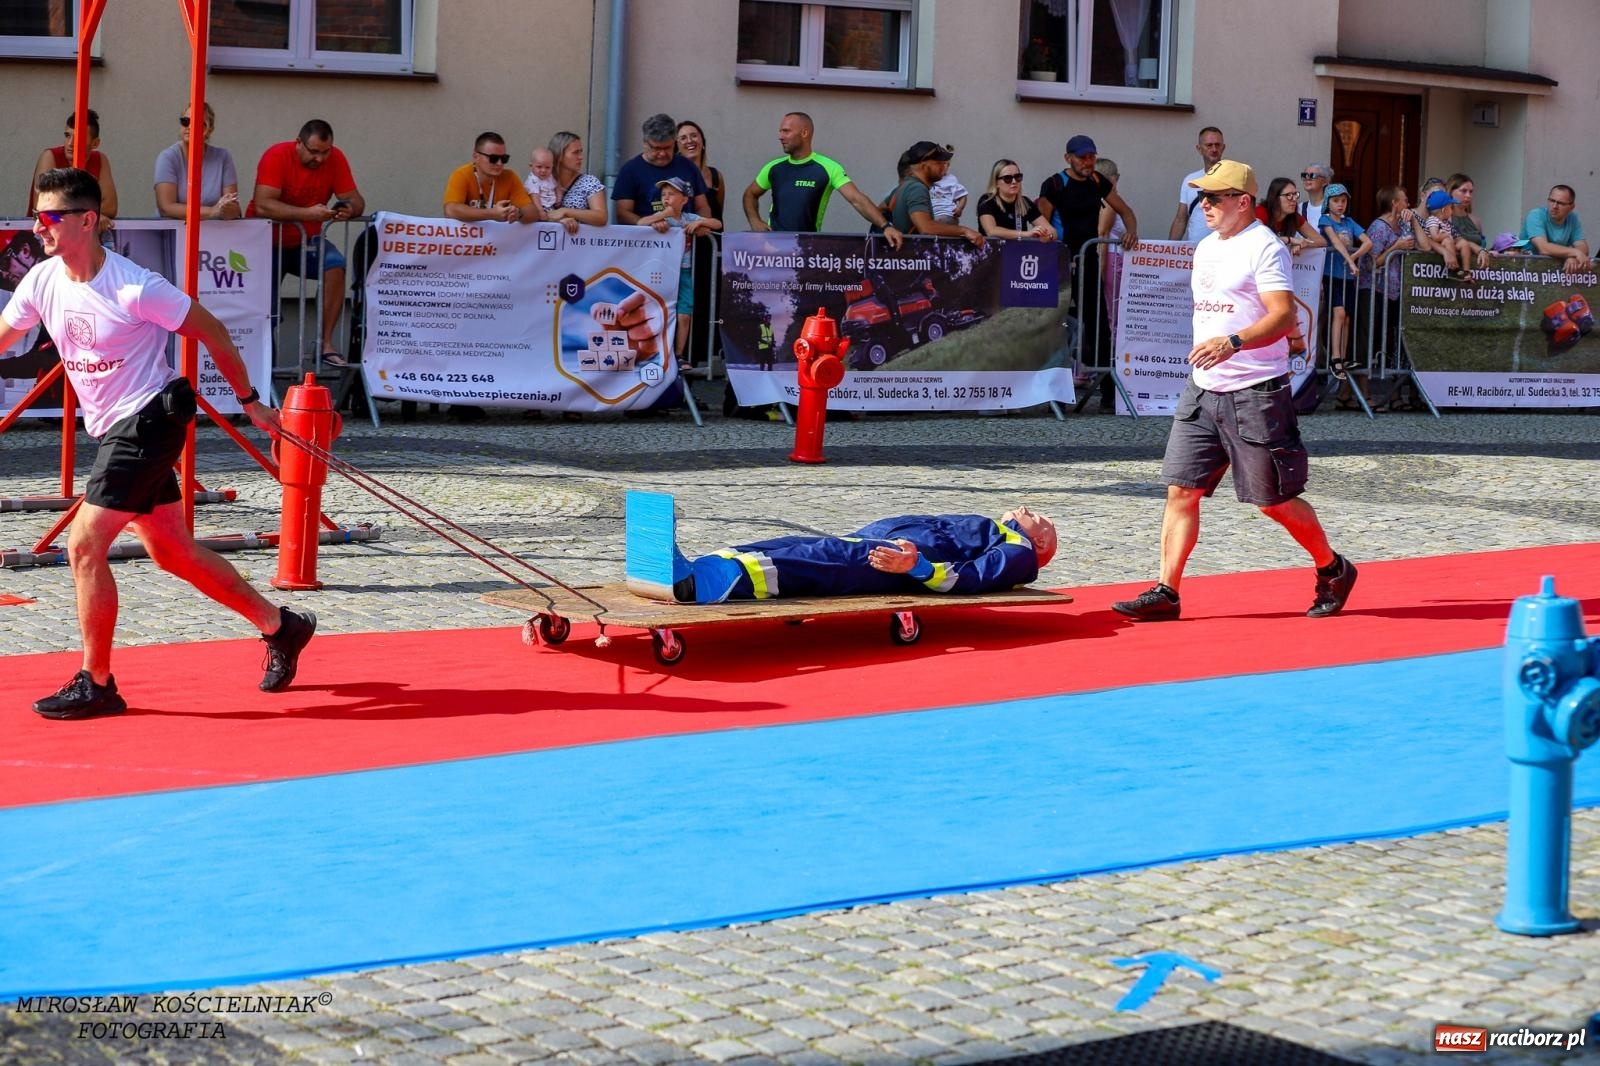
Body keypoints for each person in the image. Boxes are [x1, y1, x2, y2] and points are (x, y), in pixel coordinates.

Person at [0, 168, 317, 719]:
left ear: (86, 220)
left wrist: (250, 402)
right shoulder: (44, 279)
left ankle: (97, 682)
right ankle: (282, 627)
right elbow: (4, 336)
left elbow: (212, 330)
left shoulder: (134, 286)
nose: (38, 227)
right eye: (37, 216)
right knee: (170, 552)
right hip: (115, 426)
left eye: (49, 217)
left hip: (149, 418)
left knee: (83, 545)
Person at [1111, 160, 1357, 623]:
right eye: (1202, 196)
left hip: (1255, 391)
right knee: (1180, 491)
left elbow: (1283, 315)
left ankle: (1333, 567)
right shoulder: (1205, 247)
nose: (1203, 204)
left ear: (1242, 202)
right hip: (1203, 389)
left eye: (1214, 197)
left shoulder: (1264, 247)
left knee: (1274, 502)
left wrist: (1234, 343)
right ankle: (1167, 590)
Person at [656, 506, 1057, 604]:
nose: (1027, 508)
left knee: (794, 562)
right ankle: (694, 569)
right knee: (782, 547)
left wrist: (915, 566)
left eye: (1039, 517)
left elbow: (968, 578)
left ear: (1040, 544)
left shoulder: (1019, 552)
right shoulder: (1003, 533)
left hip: (888, 561)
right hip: (866, 544)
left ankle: (695, 585)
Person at [248, 119, 365, 365]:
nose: (320, 159)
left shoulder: (336, 159)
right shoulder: (277, 156)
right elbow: (262, 204)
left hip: (306, 241)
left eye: (325, 152)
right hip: (264, 242)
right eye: (313, 152)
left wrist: (348, 210)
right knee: (264, 310)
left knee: (335, 265)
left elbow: (357, 201)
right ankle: (265, 368)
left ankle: (325, 343)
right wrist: (307, 214)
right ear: (298, 143)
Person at [1036, 135, 1137, 409]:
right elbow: (1040, 219)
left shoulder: (1097, 182)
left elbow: (1125, 210)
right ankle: (1055, 392)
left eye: (1092, 156)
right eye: (1082, 157)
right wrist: (1054, 243)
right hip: (1060, 262)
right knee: (1058, 323)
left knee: (1099, 324)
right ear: (1068, 157)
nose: (1088, 162)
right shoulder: (1056, 183)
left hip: (1088, 259)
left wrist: (1131, 231)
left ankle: (1108, 391)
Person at [741, 112, 903, 248]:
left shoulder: (828, 168)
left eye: (786, 131)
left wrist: (885, 227)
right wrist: (755, 221)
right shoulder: (773, 167)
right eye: (780, 131)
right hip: (771, 248)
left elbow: (857, 199)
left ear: (804, 133)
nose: (780, 136)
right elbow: (750, 194)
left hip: (806, 249)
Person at [636, 176, 722, 367]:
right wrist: (660, 217)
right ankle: (654, 350)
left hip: (684, 271)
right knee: (659, 311)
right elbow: (641, 223)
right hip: (661, 273)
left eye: (672, 194)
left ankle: (679, 354)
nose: (666, 198)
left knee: (684, 313)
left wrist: (700, 224)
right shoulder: (660, 219)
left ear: (684, 200)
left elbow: (717, 223)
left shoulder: (688, 218)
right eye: (663, 195)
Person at [1316, 183, 1372, 401]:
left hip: (1348, 275)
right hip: (1332, 275)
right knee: (1338, 313)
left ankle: (1344, 355)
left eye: (1343, 201)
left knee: (1346, 317)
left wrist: (1354, 258)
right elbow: (1337, 243)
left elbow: (1367, 241)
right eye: (1336, 201)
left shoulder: (1350, 222)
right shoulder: (1325, 221)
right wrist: (1350, 260)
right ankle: (1335, 357)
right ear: (1328, 203)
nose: (1340, 205)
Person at [611, 113, 712, 225]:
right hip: (648, 238)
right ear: (645, 143)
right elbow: (623, 213)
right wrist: (650, 224)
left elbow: (702, 207)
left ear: (675, 142)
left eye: (668, 147)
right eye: (657, 148)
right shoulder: (630, 170)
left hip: (686, 238)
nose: (662, 153)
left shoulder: (688, 166)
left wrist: (701, 224)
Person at [152, 102, 241, 221]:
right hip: (173, 232)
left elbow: (233, 208)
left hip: (213, 232)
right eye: (185, 121)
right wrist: (212, 211)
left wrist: (227, 209)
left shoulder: (223, 157)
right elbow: (166, 207)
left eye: (197, 123)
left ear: (209, 130)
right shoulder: (168, 157)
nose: (189, 127)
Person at [28, 110, 119, 224]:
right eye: (67, 135)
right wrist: (89, 216)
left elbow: (110, 208)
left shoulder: (100, 159)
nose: (70, 143)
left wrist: (71, 214)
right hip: (45, 233)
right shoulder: (50, 156)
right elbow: (43, 208)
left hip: (80, 236)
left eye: (79, 137)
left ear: (95, 143)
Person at [886, 142, 984, 245]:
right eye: (938, 162)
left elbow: (880, 211)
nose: (943, 166)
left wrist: (886, 227)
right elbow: (926, 227)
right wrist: (965, 231)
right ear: (924, 165)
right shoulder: (917, 188)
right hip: (913, 255)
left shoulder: (902, 187)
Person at [442, 132, 540, 224]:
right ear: (476, 157)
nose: (499, 163)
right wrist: (491, 214)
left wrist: (518, 214)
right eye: (493, 158)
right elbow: (450, 210)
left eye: (504, 158)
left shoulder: (509, 177)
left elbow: (532, 212)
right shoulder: (462, 174)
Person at [1168, 126, 1225, 242]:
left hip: (1225, 252)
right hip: (1195, 252)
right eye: (1209, 145)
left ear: (1223, 148)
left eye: (1218, 145)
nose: (1214, 149)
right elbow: (1181, 219)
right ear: (1199, 149)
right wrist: (1169, 252)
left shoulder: (1234, 178)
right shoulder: (1190, 180)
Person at [974, 159, 1055, 241]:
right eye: (1007, 178)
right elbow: (991, 231)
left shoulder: (1025, 202)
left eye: (1017, 177)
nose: (1014, 181)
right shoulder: (987, 201)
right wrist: (1025, 234)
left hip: (1019, 252)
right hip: (994, 251)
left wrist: (1048, 236)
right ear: (996, 182)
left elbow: (1052, 231)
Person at [546, 131, 608, 235]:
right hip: (546, 246)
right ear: (559, 155)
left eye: (581, 152)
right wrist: (557, 220)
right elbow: (534, 211)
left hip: (580, 246)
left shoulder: (589, 182)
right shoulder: (544, 181)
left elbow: (601, 217)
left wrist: (566, 211)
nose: (580, 157)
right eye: (575, 152)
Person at [1521, 185, 1591, 274]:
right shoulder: (1536, 215)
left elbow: (1582, 246)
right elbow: (1543, 248)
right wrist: (1574, 252)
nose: (1554, 206)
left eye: (1561, 203)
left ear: (1571, 207)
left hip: (1552, 273)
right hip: (1526, 272)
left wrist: (1572, 257)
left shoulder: (1572, 218)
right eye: (1552, 200)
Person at [1256, 177, 1325, 257]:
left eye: (1295, 194)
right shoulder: (1260, 212)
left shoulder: (1293, 216)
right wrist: (1290, 240)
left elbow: (1321, 241)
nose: (1294, 199)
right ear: (1275, 197)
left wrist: (1302, 244)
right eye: (1288, 195)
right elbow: (1259, 240)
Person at [675, 120, 724, 222]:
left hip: (711, 236)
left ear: (703, 142)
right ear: (677, 146)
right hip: (683, 236)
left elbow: (718, 215)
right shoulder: (673, 177)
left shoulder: (716, 176)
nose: (689, 141)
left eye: (694, 136)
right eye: (683, 138)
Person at [1423, 188, 1473, 278]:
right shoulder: (1433, 220)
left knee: (1464, 243)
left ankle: (1466, 271)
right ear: (1443, 210)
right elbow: (1434, 237)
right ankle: (1454, 268)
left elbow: (1454, 237)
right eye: (1450, 207)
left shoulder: (1446, 222)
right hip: (1438, 247)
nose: (1452, 210)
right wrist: (1446, 235)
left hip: (1448, 246)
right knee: (1447, 241)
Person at [1445, 173, 1491, 267]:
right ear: (1451, 192)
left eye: (1471, 192)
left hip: (1476, 269)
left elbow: (1482, 245)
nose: (1468, 195)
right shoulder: (1445, 219)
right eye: (1463, 191)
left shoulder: (1475, 220)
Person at [523, 147, 559, 212]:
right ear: (531, 166)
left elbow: (557, 187)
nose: (543, 170)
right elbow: (535, 198)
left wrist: (559, 199)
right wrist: (541, 211)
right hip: (538, 207)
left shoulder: (550, 176)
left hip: (551, 206)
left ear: (552, 167)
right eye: (539, 167)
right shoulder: (533, 180)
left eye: (547, 167)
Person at [1298, 164, 1333, 230]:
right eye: (1304, 175)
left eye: (1312, 175)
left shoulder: (1332, 208)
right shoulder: (1299, 208)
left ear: (1324, 182)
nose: (1307, 179)